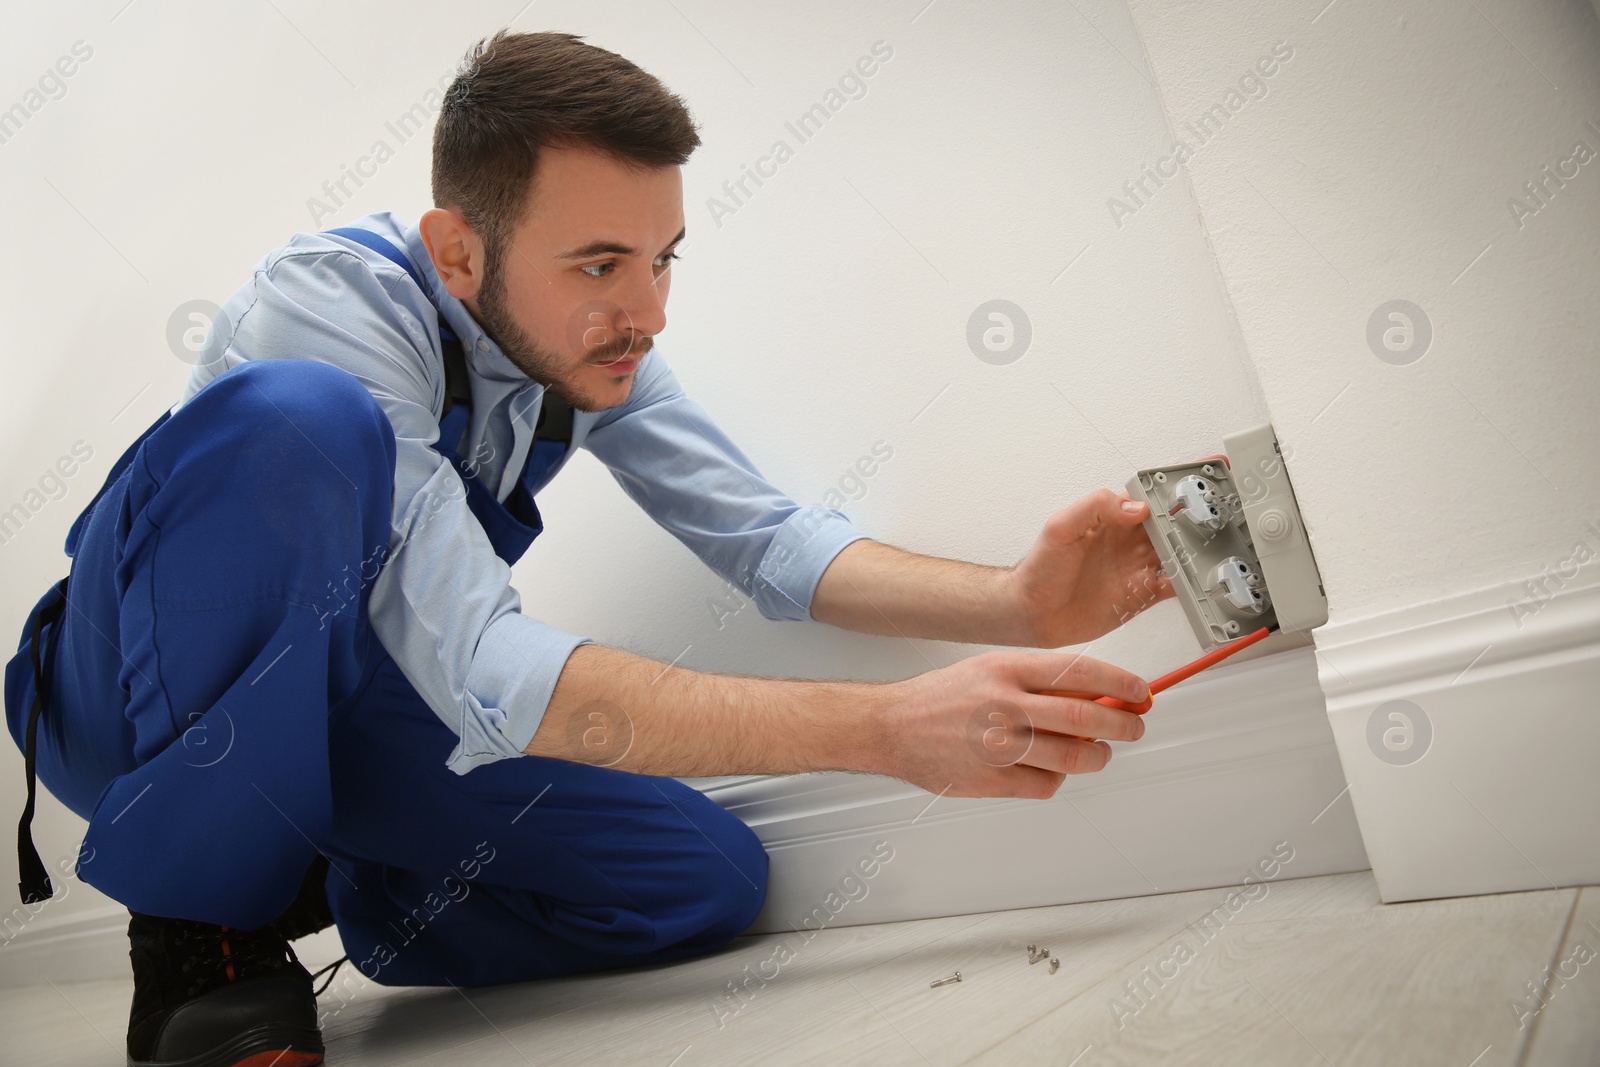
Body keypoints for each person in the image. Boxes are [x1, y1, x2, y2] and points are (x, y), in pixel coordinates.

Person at [4, 28, 1171, 1067]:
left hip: (346, 723)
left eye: (663, 258)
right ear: (458, 253)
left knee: (699, 880)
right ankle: (199, 936)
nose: (650, 310)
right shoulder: (331, 306)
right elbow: (490, 664)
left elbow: (765, 538)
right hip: (123, 703)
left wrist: (1019, 604)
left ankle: (351, 880)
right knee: (299, 418)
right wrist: (885, 729)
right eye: (601, 262)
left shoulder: (592, 350)